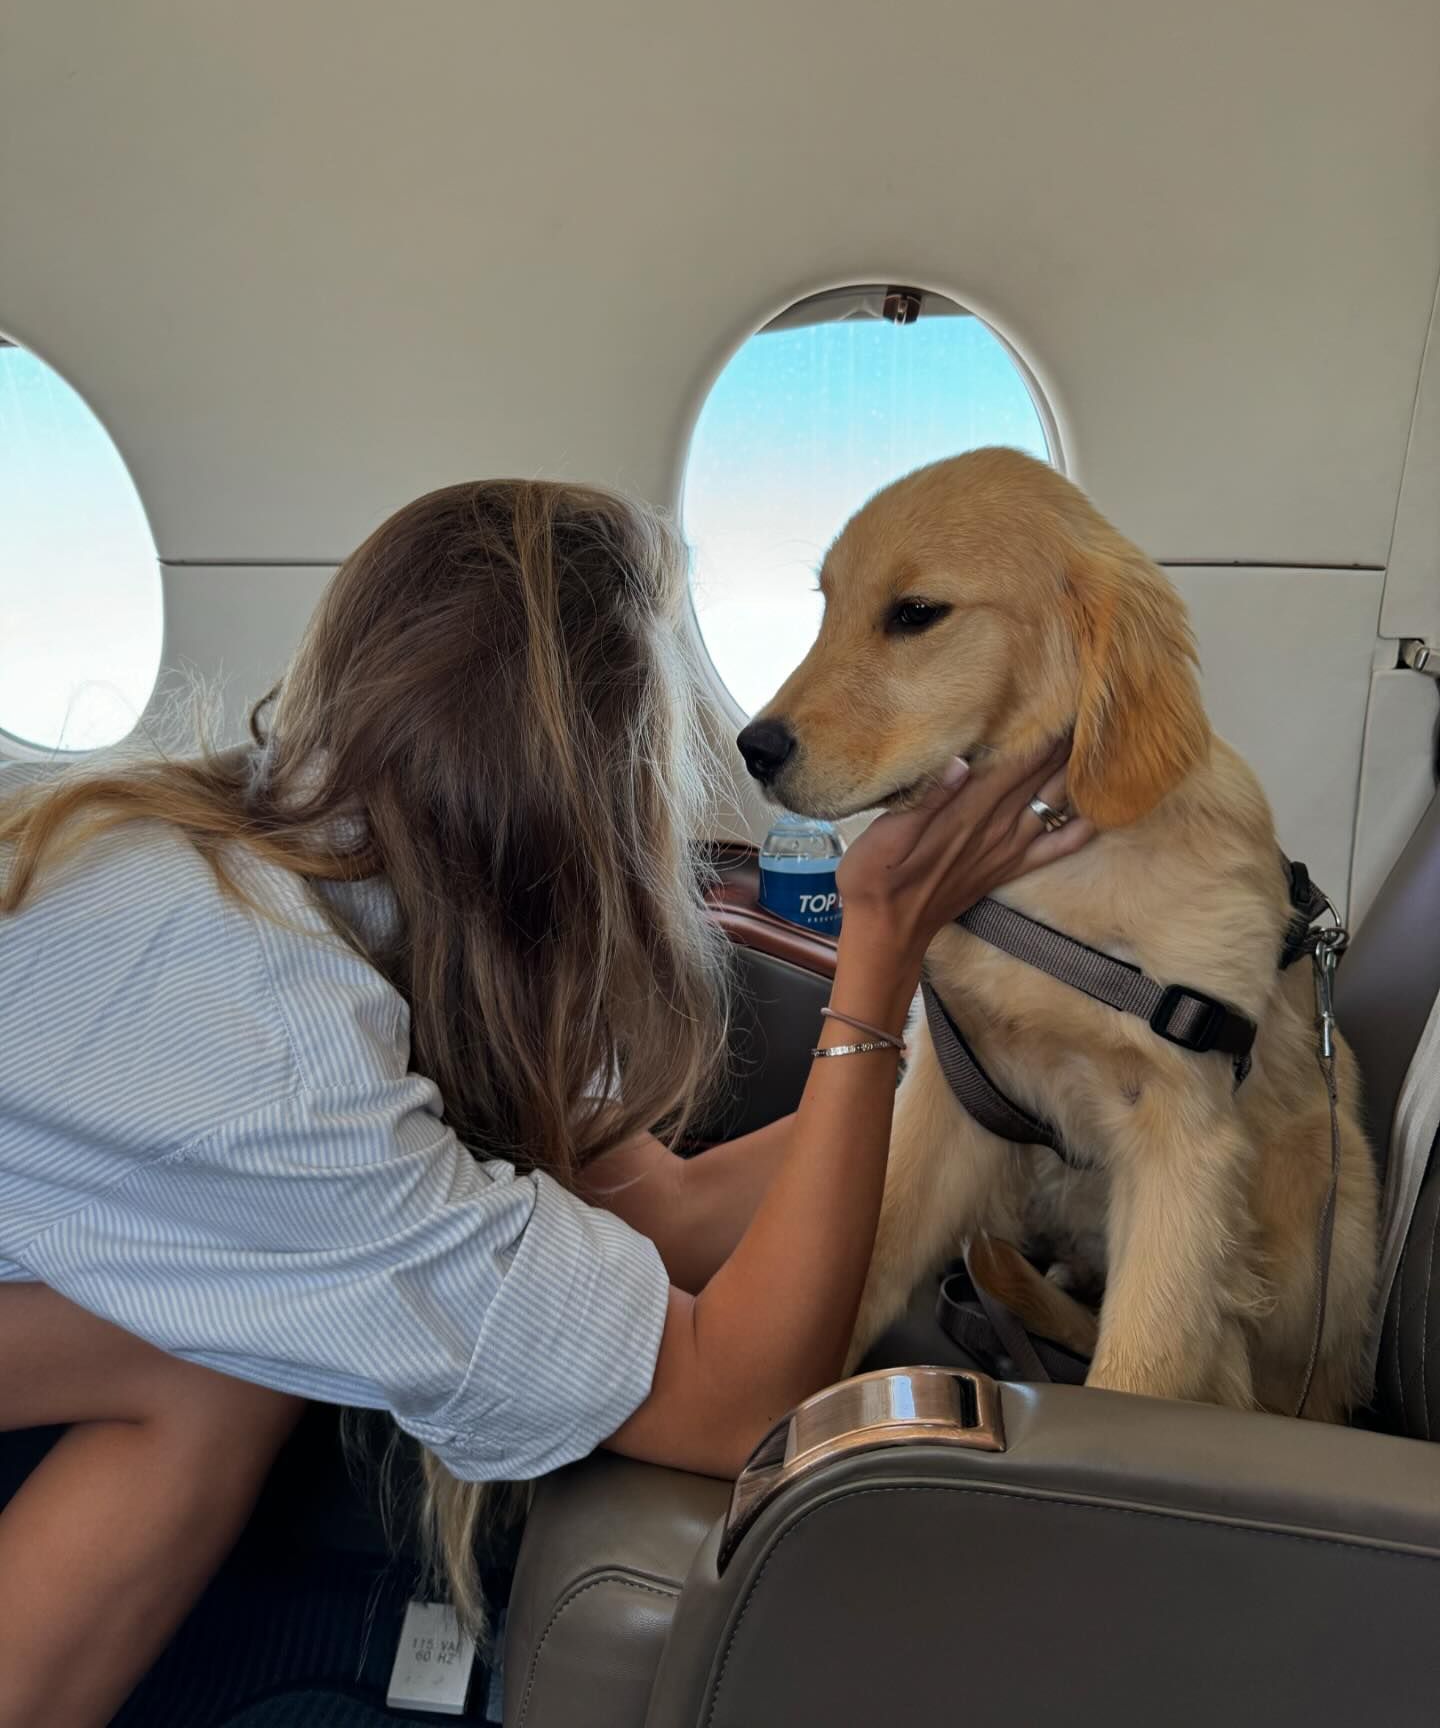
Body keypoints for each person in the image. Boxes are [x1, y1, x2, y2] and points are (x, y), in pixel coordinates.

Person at [0, 479, 1088, 1727]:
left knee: (210, 1350)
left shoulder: (326, 845)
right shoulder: (268, 1036)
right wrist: (877, 964)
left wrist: (986, 1100)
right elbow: (730, 1402)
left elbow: (665, 1212)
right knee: (206, 1375)